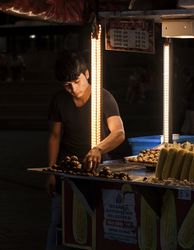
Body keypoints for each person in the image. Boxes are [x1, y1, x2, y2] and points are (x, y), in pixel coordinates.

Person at [45, 50, 125, 250]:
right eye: (67, 85)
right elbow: (55, 136)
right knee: (58, 220)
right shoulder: (59, 100)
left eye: (76, 81)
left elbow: (119, 133)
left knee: (97, 220)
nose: (73, 88)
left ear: (87, 74)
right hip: (67, 169)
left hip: (99, 169)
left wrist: (98, 148)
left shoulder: (104, 97)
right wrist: (52, 171)